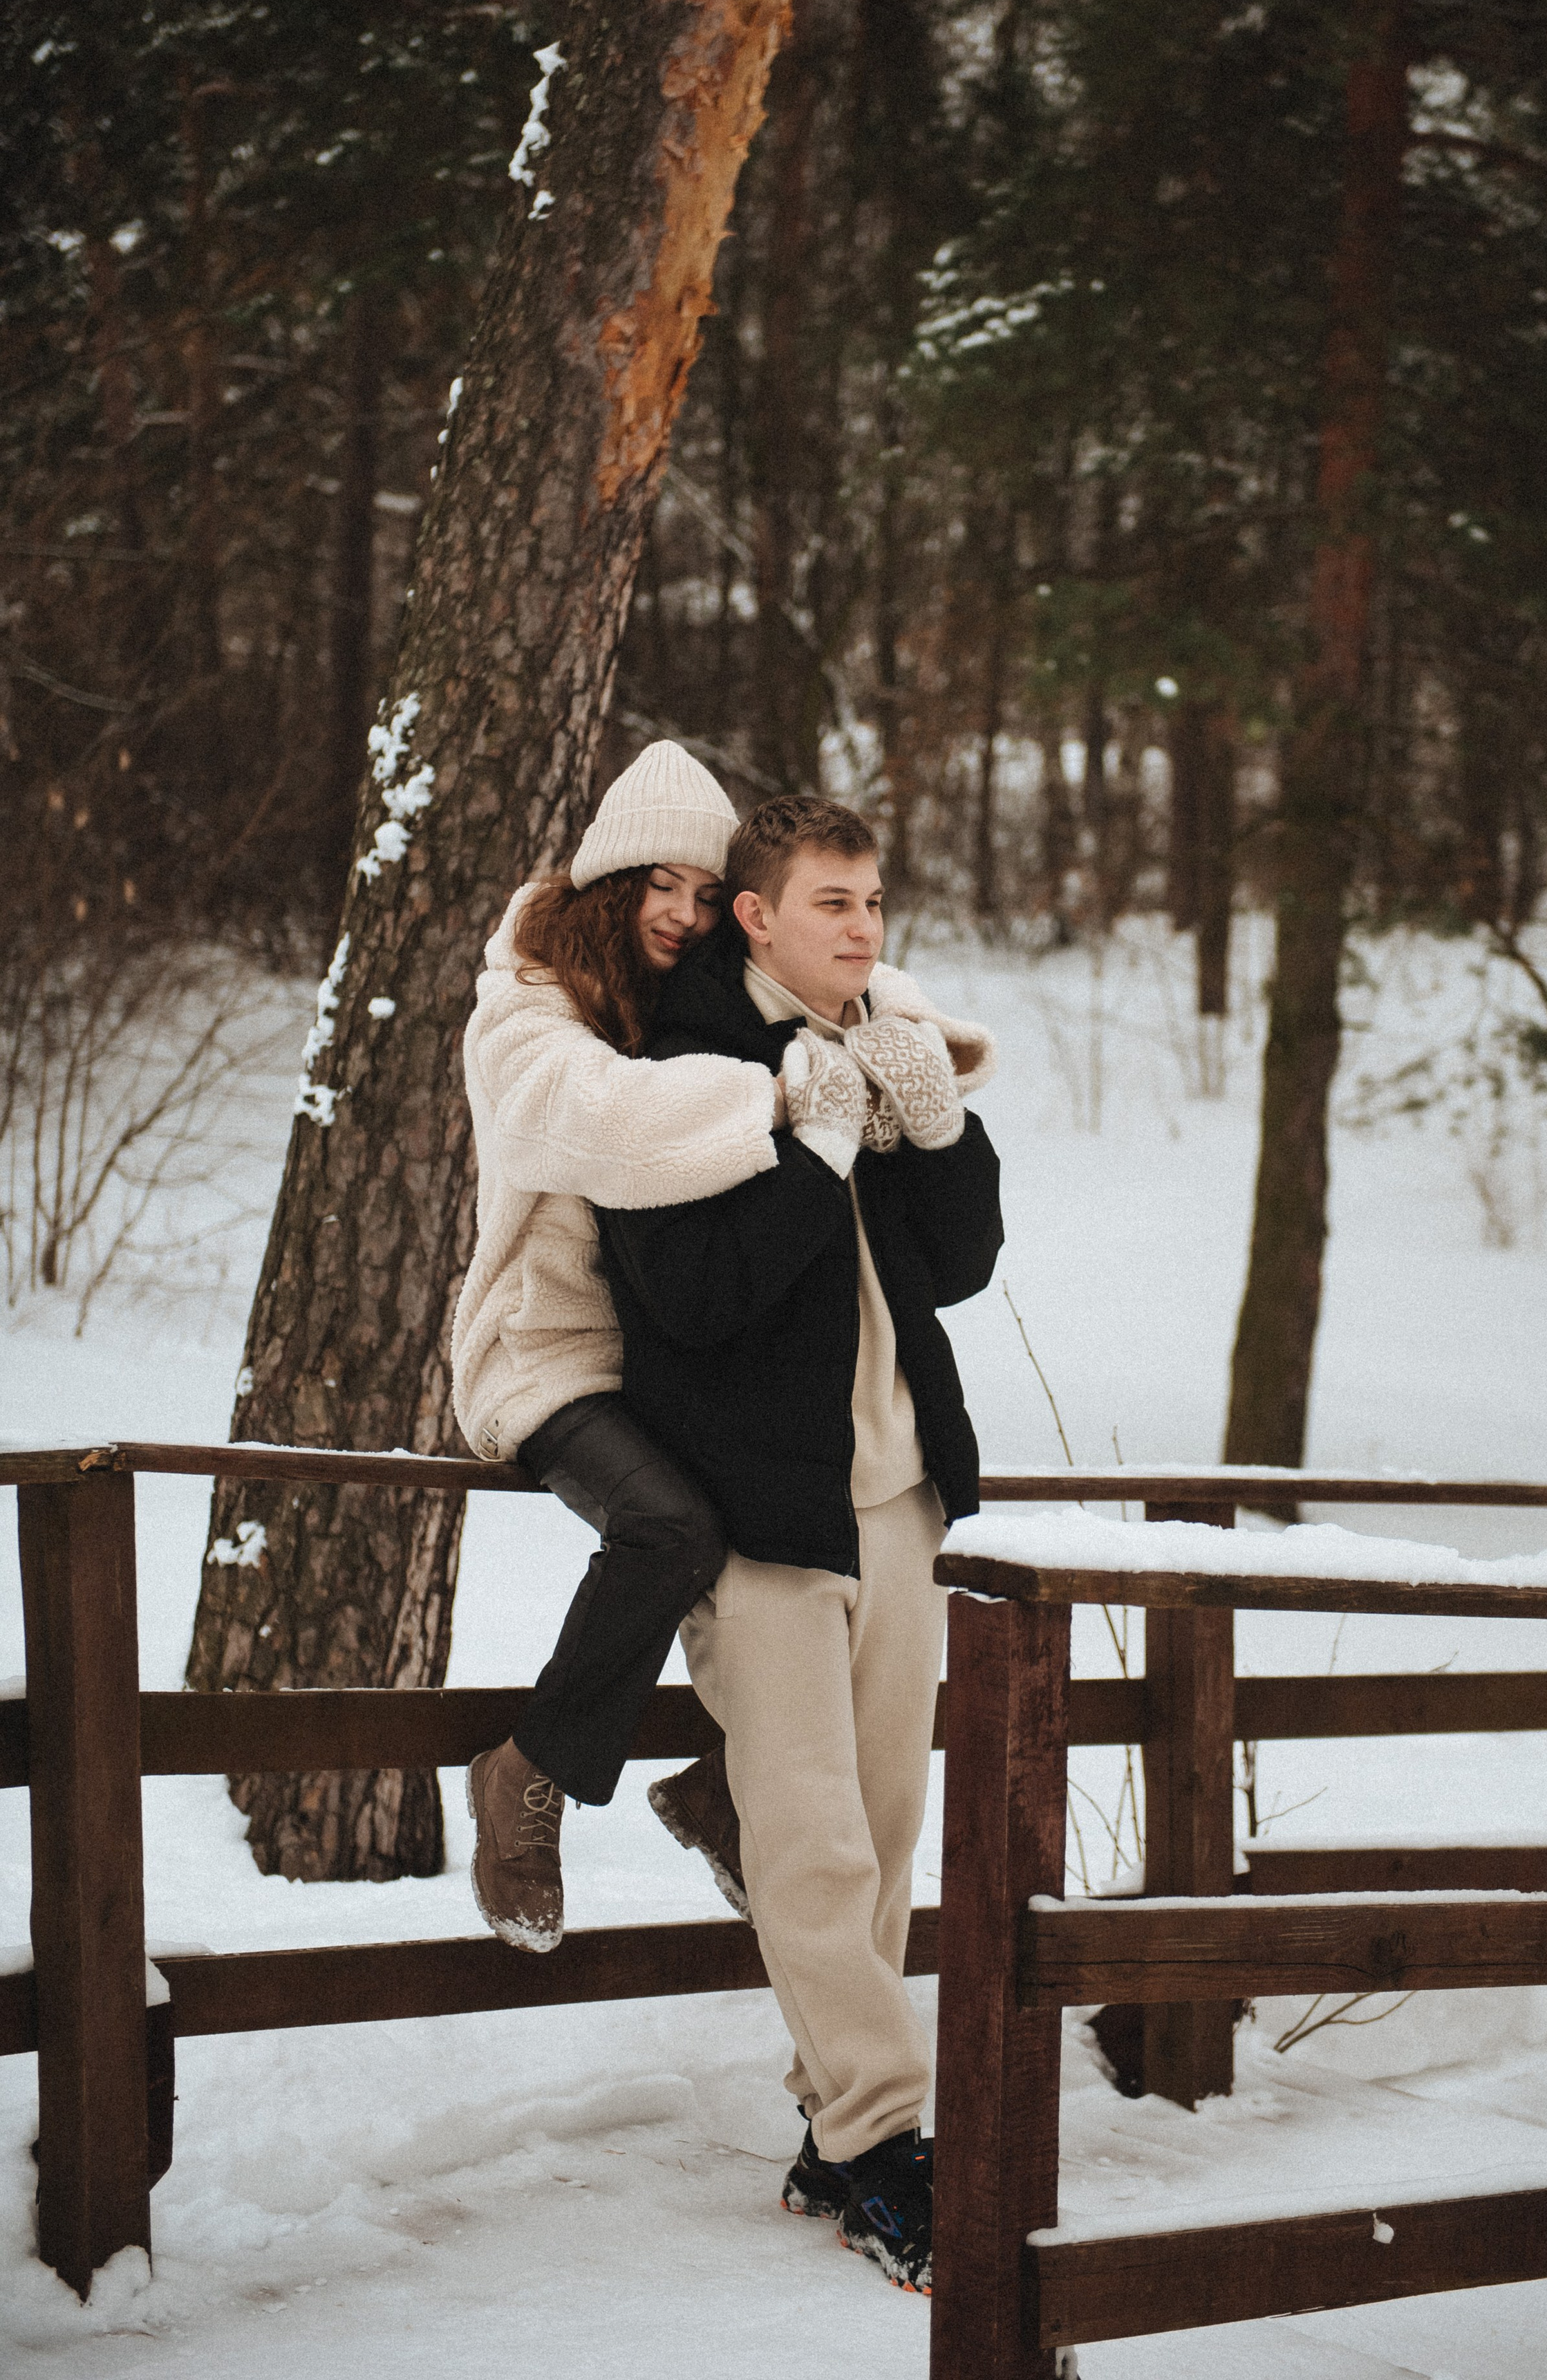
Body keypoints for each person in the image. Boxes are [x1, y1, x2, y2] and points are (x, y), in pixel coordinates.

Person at [597, 792, 1002, 2296]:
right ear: (756, 915)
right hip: (763, 1513)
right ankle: (886, 2138)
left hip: (898, 1494)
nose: (865, 928)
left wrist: (934, 1126)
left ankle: (835, 2140)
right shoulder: (677, 1068)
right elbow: (693, 1301)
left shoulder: (882, 1037)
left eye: (876, 901)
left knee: (883, 1831)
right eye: (834, 902)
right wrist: (809, 1152)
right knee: (812, 1839)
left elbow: (959, 1263)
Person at [451, 739, 822, 1951]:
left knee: (791, 1515)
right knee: (670, 1528)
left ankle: (718, 1786)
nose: (683, 913)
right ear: (611, 880)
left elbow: (843, 968)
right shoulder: (524, 1008)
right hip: (544, 1355)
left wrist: (923, 1047)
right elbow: (603, 1124)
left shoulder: (684, 997)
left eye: (708, 894)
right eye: (661, 884)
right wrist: (787, 1094)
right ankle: (525, 1774)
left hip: (662, 1361)